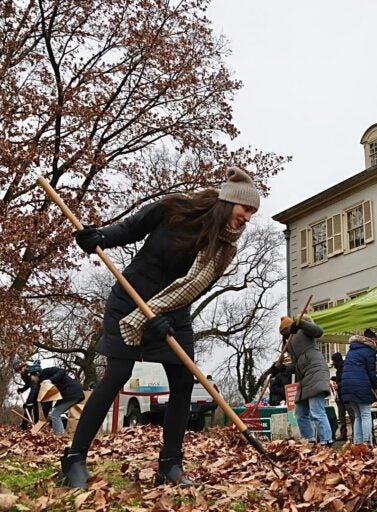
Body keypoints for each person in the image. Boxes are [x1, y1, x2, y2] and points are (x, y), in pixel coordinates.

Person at [61, 167, 261, 489]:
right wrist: (98, 237)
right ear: (229, 202)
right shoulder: (174, 209)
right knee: (117, 375)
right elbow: (130, 229)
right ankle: (74, 461)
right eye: (246, 209)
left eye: (253, 212)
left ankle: (170, 466)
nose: (248, 218)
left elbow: (194, 288)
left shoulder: (225, 248)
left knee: (183, 382)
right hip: (130, 300)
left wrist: (163, 316)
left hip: (173, 313)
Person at [279, 315, 333, 445]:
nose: (285, 335)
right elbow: (296, 365)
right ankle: (309, 439)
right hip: (304, 378)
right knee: (300, 413)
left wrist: (301, 324)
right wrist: (282, 368)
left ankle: (327, 440)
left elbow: (318, 331)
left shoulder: (303, 331)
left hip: (316, 371)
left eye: (285, 331)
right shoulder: (290, 343)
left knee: (316, 410)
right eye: (283, 333)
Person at [340, 333, 377, 444]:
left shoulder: (351, 350)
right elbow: (371, 371)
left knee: (358, 415)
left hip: (347, 385)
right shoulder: (369, 351)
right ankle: (367, 444)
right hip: (360, 384)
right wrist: (375, 386)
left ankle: (357, 444)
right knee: (366, 414)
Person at [13, 359, 46, 429]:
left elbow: (35, 387)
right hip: (34, 389)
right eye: (18, 371)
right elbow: (28, 384)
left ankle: (36, 426)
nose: (19, 371)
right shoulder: (23, 374)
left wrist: (29, 401)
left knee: (34, 408)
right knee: (28, 407)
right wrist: (22, 390)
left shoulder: (31, 371)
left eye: (20, 369)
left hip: (41, 389)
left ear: (23, 366)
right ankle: (25, 426)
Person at [330, 352, 350, 441]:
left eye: (333, 361)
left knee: (345, 415)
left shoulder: (344, 368)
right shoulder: (340, 368)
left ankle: (344, 434)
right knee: (342, 415)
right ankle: (343, 434)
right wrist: (334, 379)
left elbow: (347, 380)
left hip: (345, 395)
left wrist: (339, 385)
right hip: (341, 396)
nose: (332, 363)